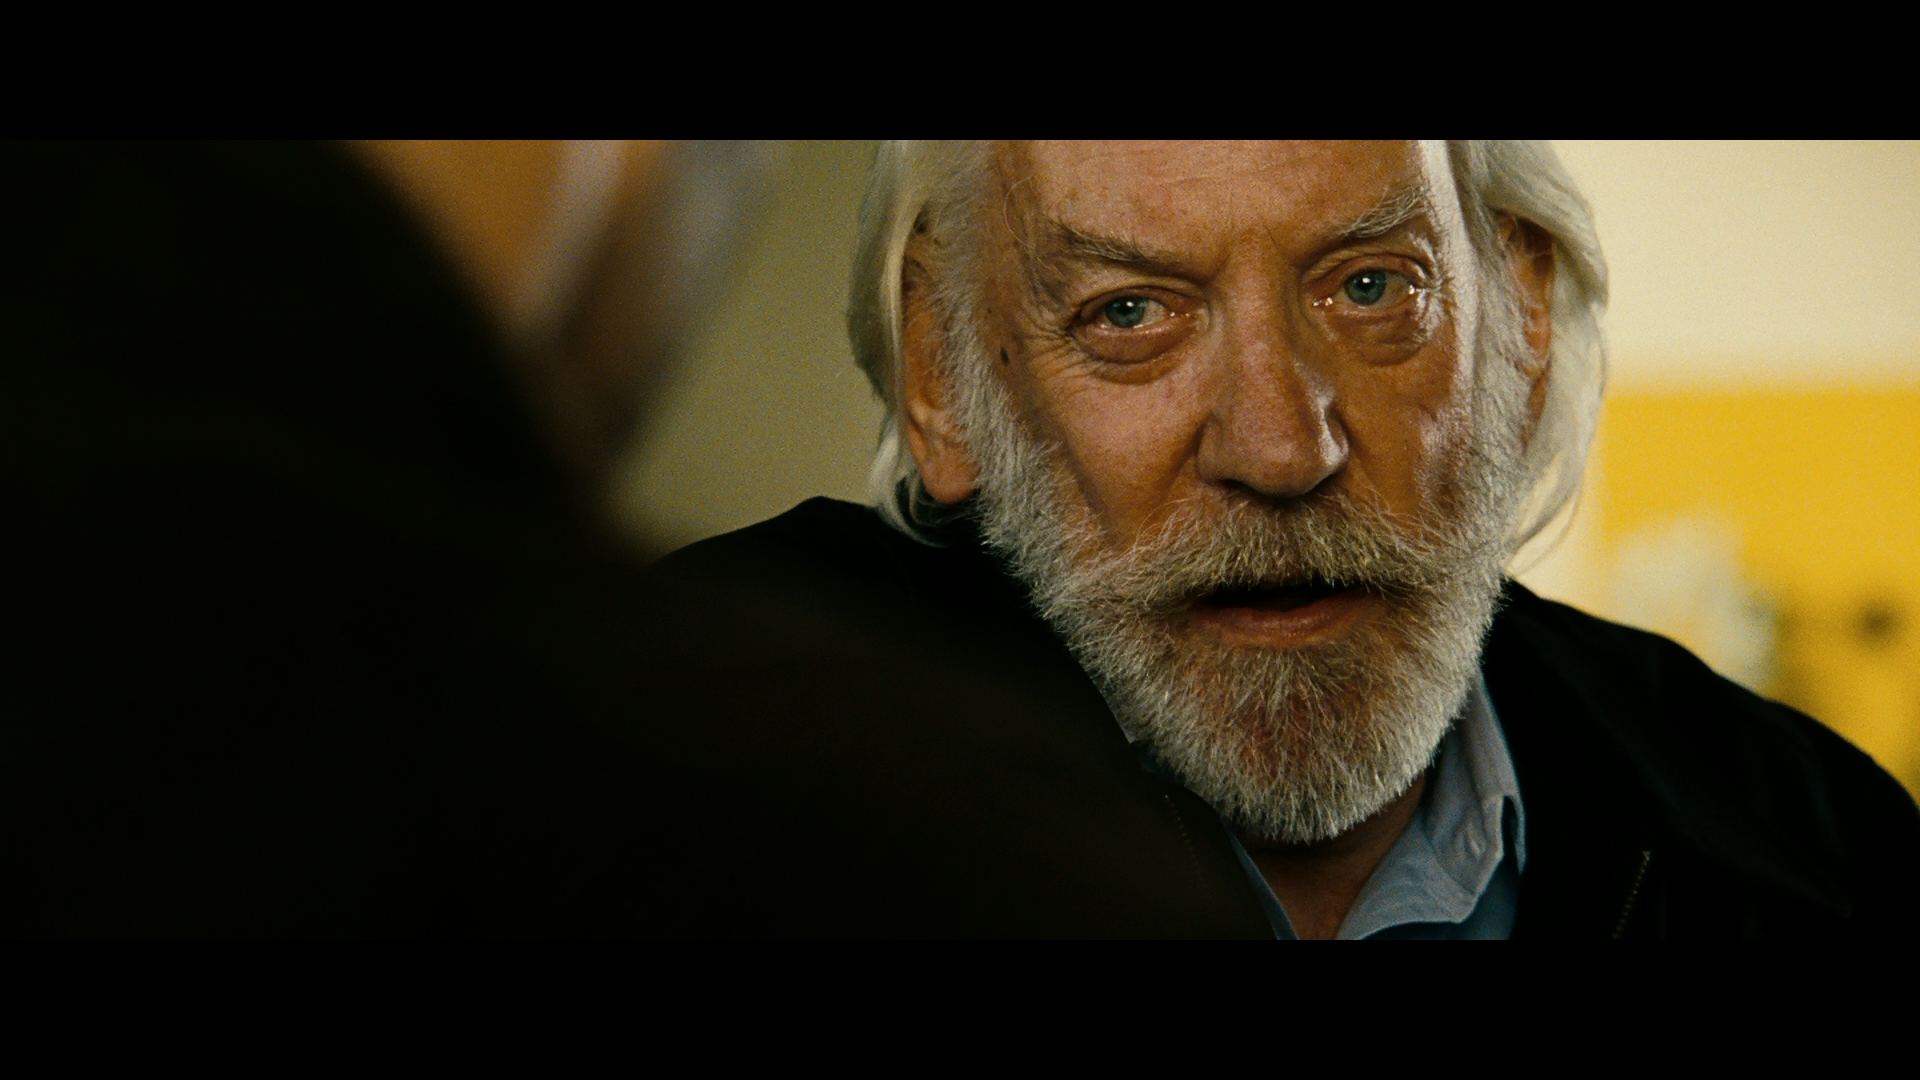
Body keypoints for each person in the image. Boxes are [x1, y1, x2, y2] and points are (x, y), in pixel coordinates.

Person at [654, 141, 1920, 937]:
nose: (1279, 447)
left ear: (1521, 318)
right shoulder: (660, 801)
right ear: (943, 374)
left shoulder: (1820, 856)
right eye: (1131, 313)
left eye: (1372, 287)